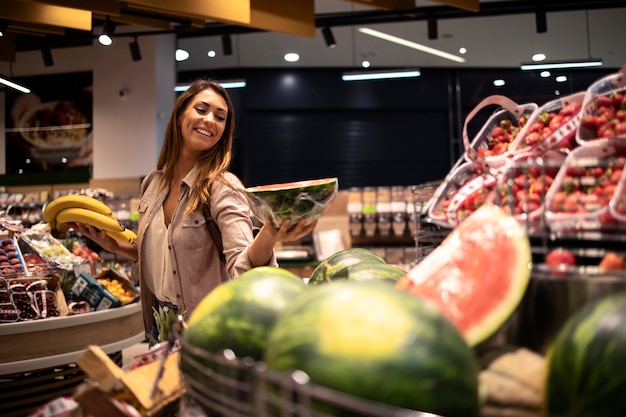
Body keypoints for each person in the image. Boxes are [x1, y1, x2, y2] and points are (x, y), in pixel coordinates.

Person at [69, 79, 316, 342]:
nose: (211, 120)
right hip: (157, 321)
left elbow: (243, 269)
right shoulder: (152, 183)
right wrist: (116, 246)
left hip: (205, 328)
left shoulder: (223, 187)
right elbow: (162, 253)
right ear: (179, 115)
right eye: (202, 109)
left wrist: (269, 234)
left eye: (220, 117)